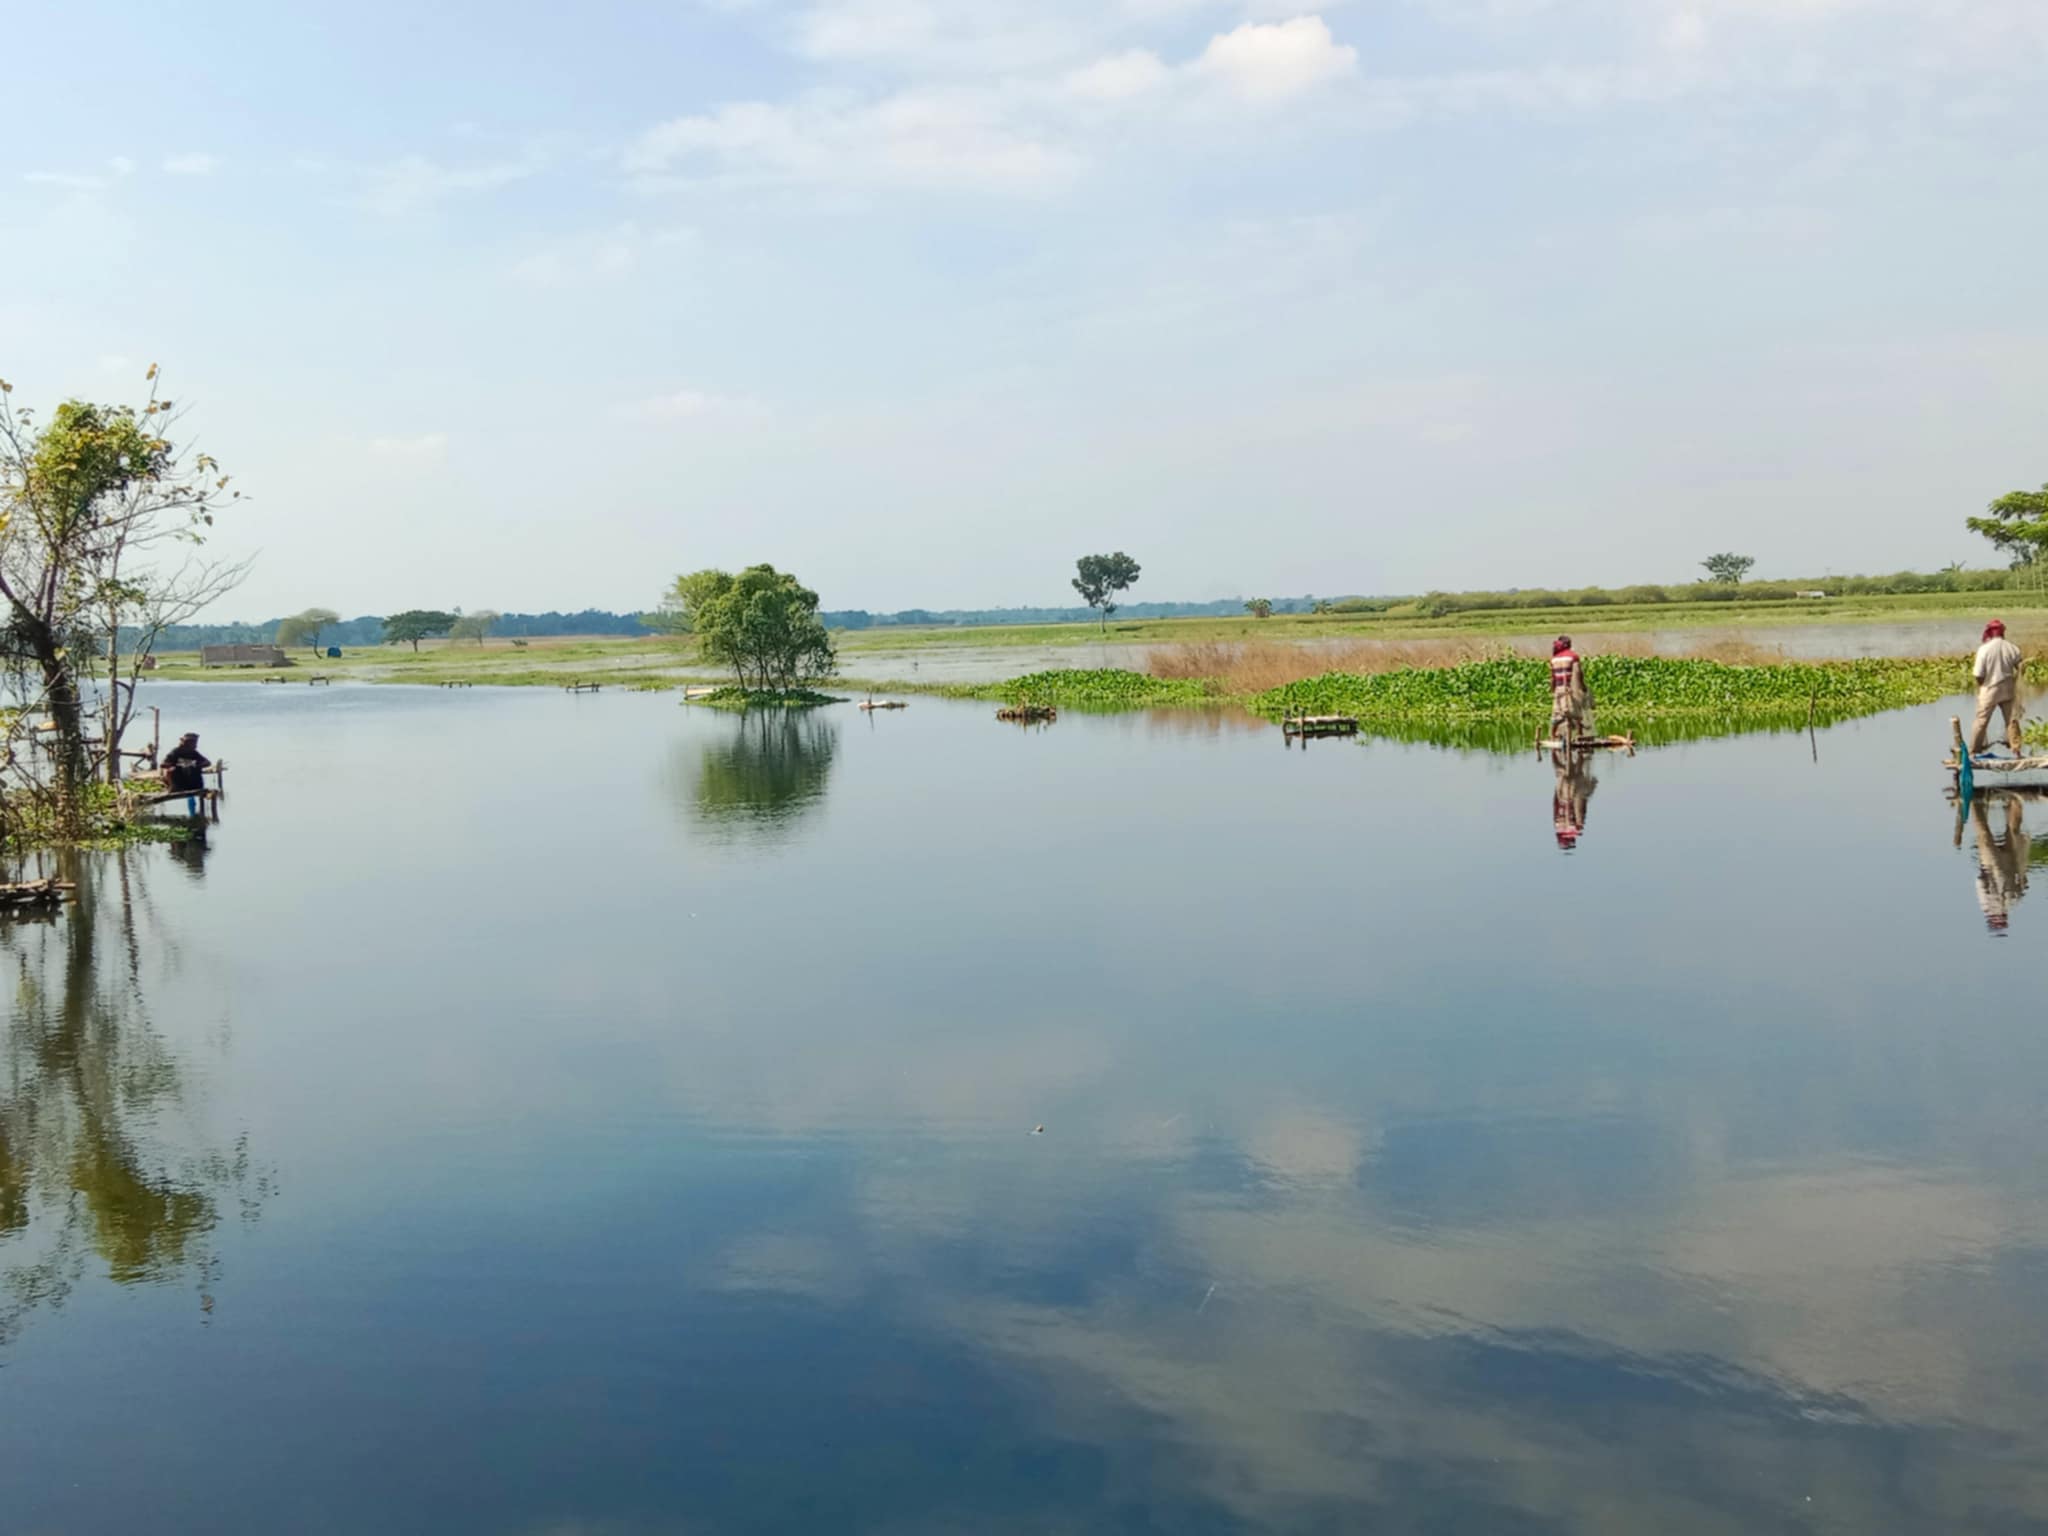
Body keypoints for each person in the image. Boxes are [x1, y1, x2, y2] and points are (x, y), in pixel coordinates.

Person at [1969, 620, 2025, 758]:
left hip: (1990, 688)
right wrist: (2015, 680)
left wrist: (1982, 686)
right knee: (2011, 720)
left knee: (1981, 721)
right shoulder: (2012, 647)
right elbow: (2021, 667)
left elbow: (1978, 674)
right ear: (2002, 632)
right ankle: (2016, 750)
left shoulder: (1984, 649)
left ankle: (1973, 751)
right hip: (2007, 688)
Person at [1550, 636, 1594, 743]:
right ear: (1568, 644)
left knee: (1558, 712)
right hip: (1571, 688)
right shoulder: (1573, 656)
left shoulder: (1554, 659)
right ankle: (1580, 734)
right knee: (1576, 711)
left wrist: (1553, 689)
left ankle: (1552, 734)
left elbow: (1553, 677)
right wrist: (1583, 686)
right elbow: (1578, 673)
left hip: (1559, 689)